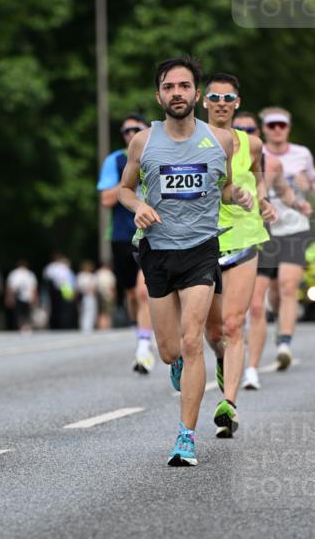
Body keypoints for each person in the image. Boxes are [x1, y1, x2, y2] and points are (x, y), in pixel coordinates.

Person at [118, 55, 253, 466]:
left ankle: (186, 437)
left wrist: (239, 196)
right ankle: (176, 365)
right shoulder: (142, 141)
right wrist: (137, 204)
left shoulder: (222, 140)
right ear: (159, 95)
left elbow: (225, 187)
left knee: (194, 340)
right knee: (168, 350)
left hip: (200, 251)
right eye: (168, 87)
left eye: (183, 86)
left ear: (197, 93)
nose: (177, 93)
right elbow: (124, 190)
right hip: (157, 251)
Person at [200, 74, 278, 438]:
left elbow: (258, 177)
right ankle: (221, 358)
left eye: (227, 97)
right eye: (214, 96)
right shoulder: (190, 140)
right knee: (213, 330)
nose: (220, 102)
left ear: (236, 101)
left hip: (244, 235)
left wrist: (262, 199)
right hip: (199, 238)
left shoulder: (254, 144)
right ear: (205, 101)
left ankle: (228, 403)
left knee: (233, 324)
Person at [247, 106, 315, 373]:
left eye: (282, 125)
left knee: (289, 286)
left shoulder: (302, 154)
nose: (277, 130)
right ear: (264, 128)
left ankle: (284, 343)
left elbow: (314, 185)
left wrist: (308, 188)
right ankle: (279, 320)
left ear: (288, 127)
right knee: (272, 293)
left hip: (294, 227)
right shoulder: (256, 153)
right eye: (272, 125)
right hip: (263, 229)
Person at [97, 114, 155, 373]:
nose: (131, 134)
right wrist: (130, 178)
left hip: (154, 233)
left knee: (144, 291)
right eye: (126, 131)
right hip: (122, 235)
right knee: (131, 294)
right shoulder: (115, 159)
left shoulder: (159, 154)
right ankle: (141, 332)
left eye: (137, 130)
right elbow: (107, 199)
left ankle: (143, 348)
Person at [5, 259, 38, 331]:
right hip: (22, 297)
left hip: (23, 297)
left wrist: (9, 297)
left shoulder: (16, 274)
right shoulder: (28, 274)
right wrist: (34, 298)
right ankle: (21, 326)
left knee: (21, 313)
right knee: (22, 313)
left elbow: (10, 287)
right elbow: (33, 288)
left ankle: (22, 326)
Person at [76, 260, 98, 332]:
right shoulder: (88, 276)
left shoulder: (81, 276)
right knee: (87, 312)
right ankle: (86, 327)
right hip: (87, 296)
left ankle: (86, 327)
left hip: (85, 296)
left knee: (86, 312)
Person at [95, 261, 116, 329]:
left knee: (100, 312)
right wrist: (113, 295)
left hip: (99, 295)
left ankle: (101, 326)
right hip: (108, 295)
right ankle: (106, 325)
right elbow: (112, 286)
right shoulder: (109, 273)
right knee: (107, 312)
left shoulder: (98, 273)